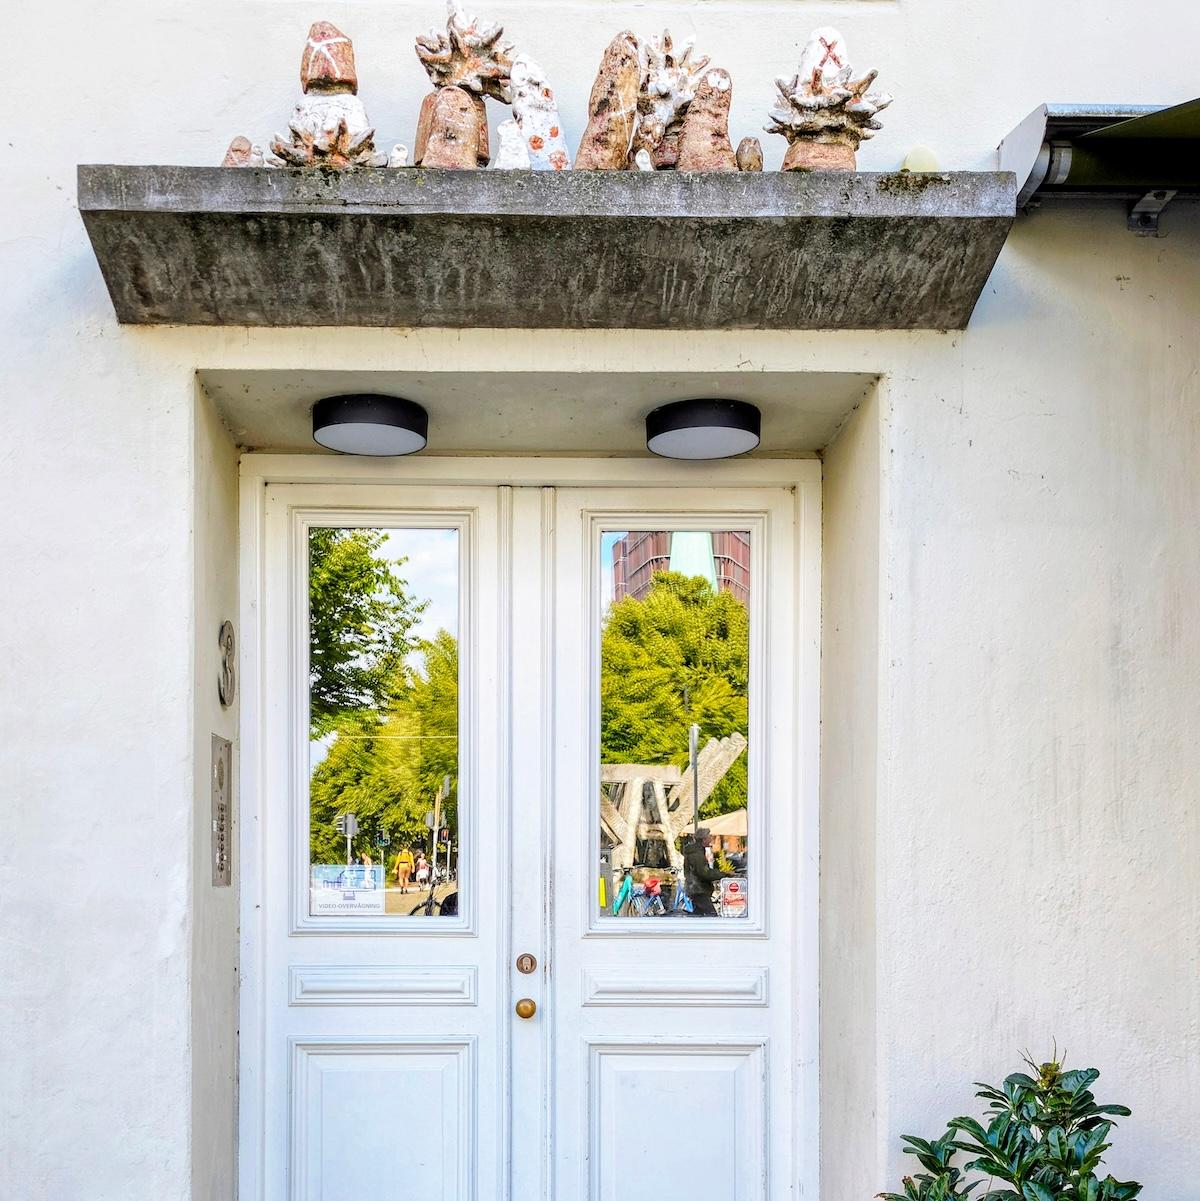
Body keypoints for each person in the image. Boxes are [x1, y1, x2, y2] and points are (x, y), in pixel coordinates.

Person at [683, 827, 727, 917]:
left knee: (699, 917)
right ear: (704, 839)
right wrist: (724, 874)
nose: (711, 838)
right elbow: (704, 873)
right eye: (709, 836)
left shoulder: (697, 852)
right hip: (698, 890)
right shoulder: (697, 854)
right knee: (711, 916)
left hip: (697, 889)